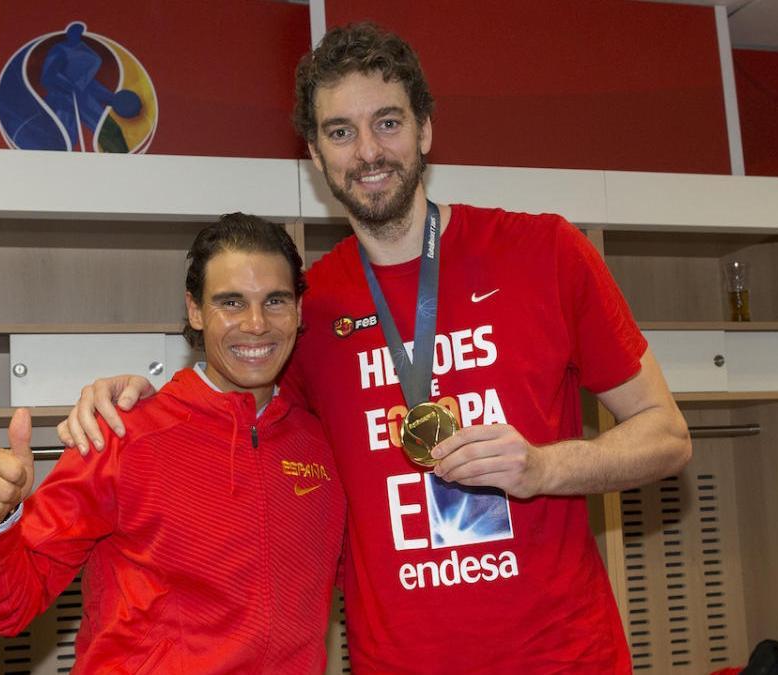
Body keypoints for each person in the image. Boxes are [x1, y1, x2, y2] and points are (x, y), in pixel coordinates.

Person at [56, 22, 692, 673]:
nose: (367, 151)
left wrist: (544, 468)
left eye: (387, 122)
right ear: (315, 155)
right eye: (341, 131)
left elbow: (667, 433)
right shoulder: (306, 307)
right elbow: (232, 417)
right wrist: (134, 393)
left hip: (565, 658)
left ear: (426, 130)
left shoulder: (546, 254)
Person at [0, 213, 346, 674]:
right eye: (231, 303)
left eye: (275, 301)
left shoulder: (319, 445)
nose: (256, 324)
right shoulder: (122, 433)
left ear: (297, 310)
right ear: (195, 310)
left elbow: (368, 580)